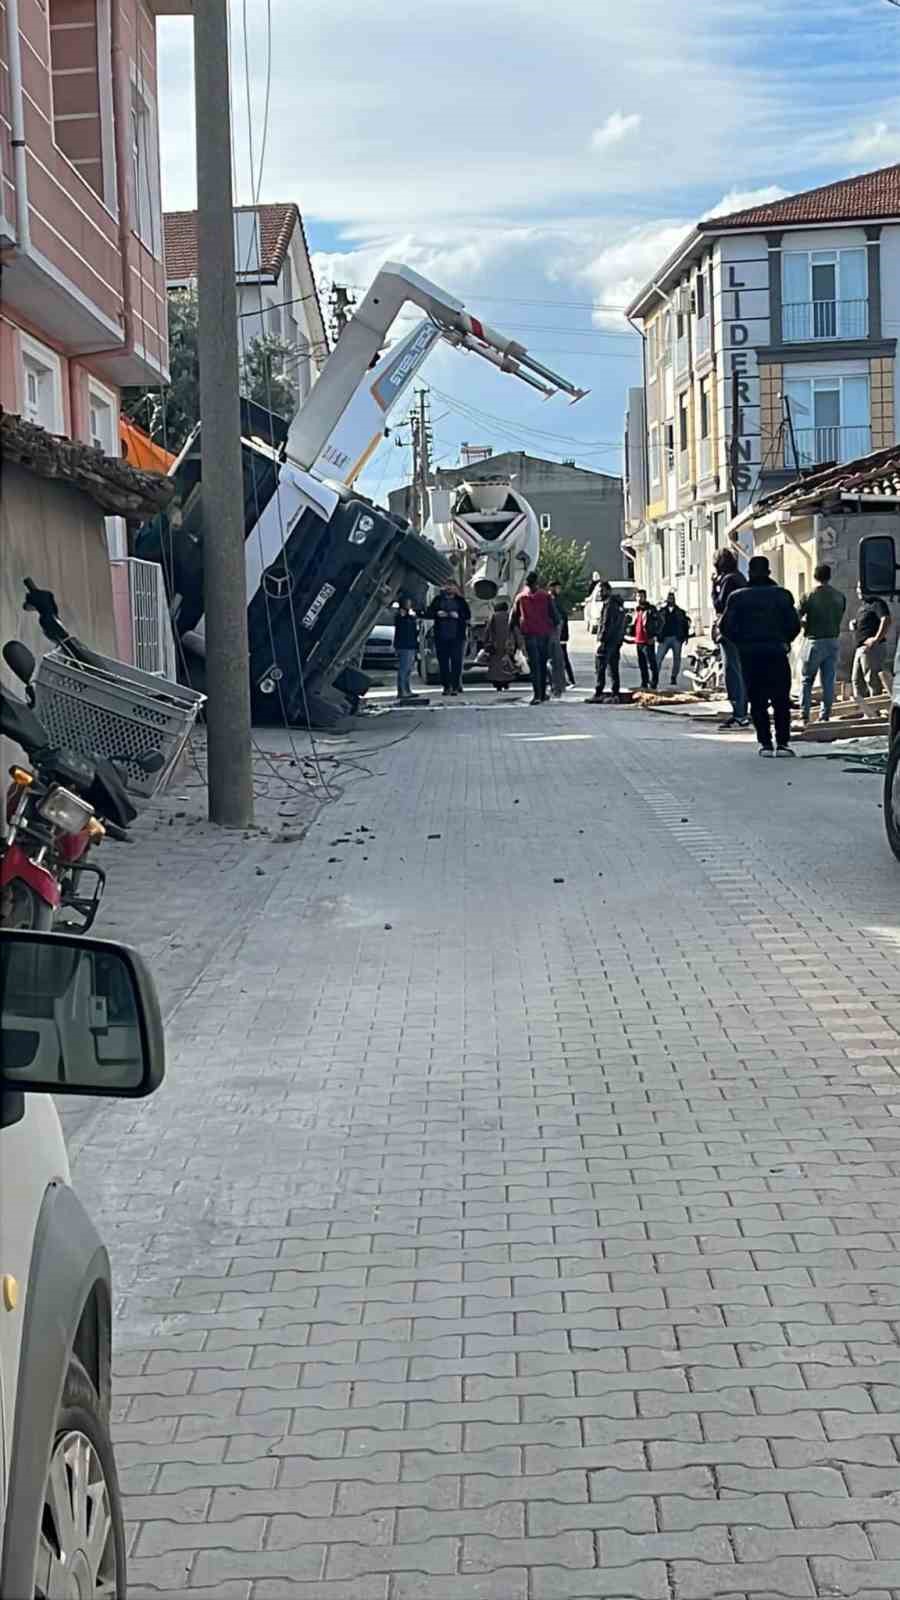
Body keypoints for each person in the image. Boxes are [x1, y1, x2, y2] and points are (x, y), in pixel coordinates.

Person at [719, 554, 801, 757]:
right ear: (769, 572)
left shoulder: (738, 597)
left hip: (750, 655)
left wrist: (741, 644)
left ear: (750, 573)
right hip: (776, 652)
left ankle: (765, 743)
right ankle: (783, 743)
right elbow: (795, 625)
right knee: (781, 699)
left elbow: (725, 627)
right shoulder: (782, 595)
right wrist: (784, 640)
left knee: (757, 700)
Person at [798, 564, 846, 725]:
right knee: (828, 680)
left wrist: (806, 626)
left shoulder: (809, 595)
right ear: (829, 576)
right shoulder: (839, 596)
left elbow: (797, 616)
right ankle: (825, 715)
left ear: (814, 576)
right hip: (833, 640)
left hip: (814, 640)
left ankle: (804, 714)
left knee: (807, 680)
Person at [712, 548, 750, 730]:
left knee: (732, 672)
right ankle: (743, 711)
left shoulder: (728, 581)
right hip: (743, 630)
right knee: (741, 671)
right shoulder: (741, 578)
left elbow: (719, 604)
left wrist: (714, 587)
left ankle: (739, 714)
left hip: (730, 632)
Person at [511, 572, 559, 704]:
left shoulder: (520, 598)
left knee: (534, 666)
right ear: (537, 583)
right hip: (544, 635)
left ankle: (537, 695)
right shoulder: (545, 597)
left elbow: (513, 620)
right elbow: (555, 617)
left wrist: (516, 638)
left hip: (529, 635)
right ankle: (542, 694)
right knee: (542, 664)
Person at [851, 583, 892, 714]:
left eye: (861, 587)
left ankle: (876, 711)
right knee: (857, 680)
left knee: (872, 680)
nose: (858, 590)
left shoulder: (877, 603)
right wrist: (855, 625)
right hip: (861, 648)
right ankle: (865, 712)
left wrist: (876, 638)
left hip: (872, 648)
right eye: (857, 587)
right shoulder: (863, 606)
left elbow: (886, 619)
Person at [586, 581, 628, 703]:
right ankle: (615, 693)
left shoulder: (609, 605)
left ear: (608, 591)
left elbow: (606, 624)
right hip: (616, 642)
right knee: (613, 669)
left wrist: (601, 640)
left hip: (608, 642)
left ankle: (599, 692)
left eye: (602, 591)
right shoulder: (618, 605)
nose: (600, 593)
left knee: (600, 667)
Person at [426, 582, 470, 696]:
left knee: (456, 662)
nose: (449, 588)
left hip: (457, 636)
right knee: (443, 663)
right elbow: (429, 613)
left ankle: (456, 686)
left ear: (455, 588)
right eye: (447, 585)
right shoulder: (438, 600)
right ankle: (446, 686)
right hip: (441, 636)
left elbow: (467, 615)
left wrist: (458, 615)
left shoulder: (460, 601)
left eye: (451, 586)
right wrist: (437, 613)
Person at [654, 592, 691, 686]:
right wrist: (656, 635)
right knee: (658, 658)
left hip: (676, 638)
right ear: (667, 599)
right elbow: (656, 624)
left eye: (672, 598)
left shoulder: (680, 612)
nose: (670, 600)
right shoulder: (661, 611)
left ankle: (673, 677)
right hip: (664, 638)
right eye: (669, 598)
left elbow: (685, 625)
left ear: (674, 599)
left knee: (677, 659)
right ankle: (655, 677)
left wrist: (685, 636)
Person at [482, 597, 517, 691]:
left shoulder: (494, 616)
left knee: (495, 664)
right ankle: (506, 682)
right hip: (508, 644)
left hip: (495, 644)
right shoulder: (509, 616)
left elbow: (488, 631)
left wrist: (486, 642)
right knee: (507, 663)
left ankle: (497, 683)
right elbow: (515, 630)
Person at [393, 593, 420, 702]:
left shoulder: (409, 616)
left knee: (408, 669)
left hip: (411, 644)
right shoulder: (400, 616)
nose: (409, 604)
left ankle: (407, 689)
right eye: (407, 602)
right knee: (404, 669)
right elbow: (402, 628)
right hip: (404, 645)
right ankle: (402, 691)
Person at [548, 582, 576, 688]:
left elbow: (562, 618)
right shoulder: (553, 601)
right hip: (557, 634)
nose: (559, 589)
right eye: (557, 587)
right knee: (559, 658)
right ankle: (565, 679)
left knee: (562, 658)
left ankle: (568, 679)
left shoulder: (557, 600)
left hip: (561, 634)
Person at [633, 590, 659, 690]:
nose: (639, 599)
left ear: (645, 597)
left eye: (641, 596)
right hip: (638, 641)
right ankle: (644, 682)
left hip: (648, 641)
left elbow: (659, 622)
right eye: (638, 597)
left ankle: (654, 682)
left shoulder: (651, 610)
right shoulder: (636, 610)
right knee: (642, 664)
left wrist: (654, 635)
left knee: (651, 663)